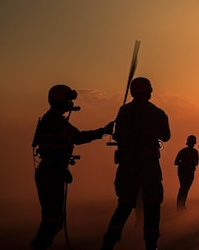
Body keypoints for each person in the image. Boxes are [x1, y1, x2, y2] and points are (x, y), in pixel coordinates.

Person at [30, 84, 114, 250]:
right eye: (68, 99)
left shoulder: (51, 120)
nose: (70, 103)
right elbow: (78, 137)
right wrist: (103, 131)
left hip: (52, 171)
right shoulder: (55, 122)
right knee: (52, 219)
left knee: (55, 219)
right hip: (51, 173)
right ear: (61, 101)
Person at [101, 77, 171, 250]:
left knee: (124, 204)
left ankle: (108, 243)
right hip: (149, 166)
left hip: (127, 166)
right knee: (152, 205)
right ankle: (151, 244)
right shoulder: (157, 113)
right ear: (149, 92)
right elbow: (166, 136)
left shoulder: (124, 111)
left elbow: (117, 135)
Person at [174, 135, 199, 211]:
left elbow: (196, 163)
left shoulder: (194, 152)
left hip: (190, 172)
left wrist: (191, 162)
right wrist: (185, 163)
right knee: (183, 189)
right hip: (183, 172)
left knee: (185, 189)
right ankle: (180, 206)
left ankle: (181, 205)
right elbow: (176, 162)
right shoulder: (183, 151)